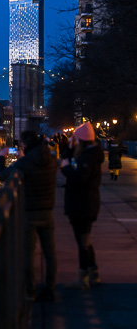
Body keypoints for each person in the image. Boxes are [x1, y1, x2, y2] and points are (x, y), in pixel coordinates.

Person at [11, 129, 60, 301]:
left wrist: (2, 157)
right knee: (50, 253)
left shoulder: (24, 164)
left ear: (24, 145)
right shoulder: (52, 160)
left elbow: (3, 175)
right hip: (48, 212)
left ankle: (30, 291)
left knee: (28, 254)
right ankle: (50, 289)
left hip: (29, 213)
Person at [62, 123, 104, 288]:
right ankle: (93, 274)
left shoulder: (88, 157)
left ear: (82, 140)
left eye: (76, 138)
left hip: (83, 204)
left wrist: (65, 170)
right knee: (84, 240)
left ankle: (83, 277)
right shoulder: (89, 154)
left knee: (83, 242)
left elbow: (80, 178)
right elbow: (70, 159)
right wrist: (71, 149)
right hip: (84, 203)